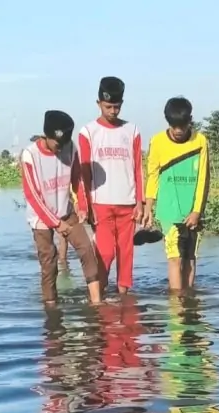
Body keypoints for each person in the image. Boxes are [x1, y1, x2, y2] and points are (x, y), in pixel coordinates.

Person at [20, 110, 102, 307]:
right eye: (57, 144)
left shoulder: (70, 148)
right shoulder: (29, 156)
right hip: (41, 219)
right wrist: (56, 223)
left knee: (87, 251)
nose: (60, 149)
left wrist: (82, 206)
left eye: (63, 144)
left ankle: (97, 302)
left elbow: (77, 179)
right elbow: (33, 196)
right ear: (46, 136)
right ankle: (51, 305)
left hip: (67, 211)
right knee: (49, 263)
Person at [78, 76, 144, 295]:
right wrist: (84, 204)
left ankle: (124, 297)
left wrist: (140, 203)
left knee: (126, 254)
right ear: (99, 103)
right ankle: (100, 292)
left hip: (127, 202)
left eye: (117, 106)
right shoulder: (88, 133)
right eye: (108, 106)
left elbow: (137, 169)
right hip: (101, 203)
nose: (113, 111)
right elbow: (84, 172)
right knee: (105, 252)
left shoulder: (132, 131)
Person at [142, 97, 210, 291]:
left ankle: (188, 300)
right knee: (174, 258)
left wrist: (197, 211)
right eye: (174, 126)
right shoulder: (157, 142)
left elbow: (203, 179)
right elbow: (152, 175)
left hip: (193, 211)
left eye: (182, 125)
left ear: (190, 120)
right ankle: (177, 304)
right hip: (168, 211)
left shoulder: (200, 141)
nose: (179, 131)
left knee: (190, 257)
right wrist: (148, 207)